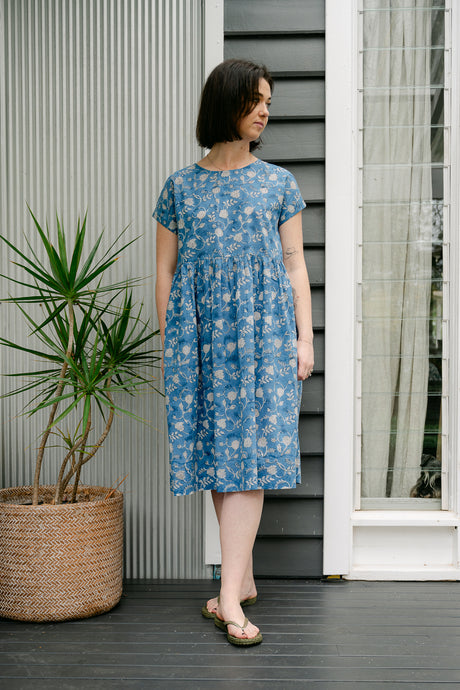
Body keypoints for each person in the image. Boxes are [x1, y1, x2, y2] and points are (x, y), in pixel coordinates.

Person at [154, 58, 314, 646]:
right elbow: (166, 274)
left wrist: (305, 337)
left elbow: (295, 265)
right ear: (228, 103)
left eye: (268, 101)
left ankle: (227, 596)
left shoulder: (278, 184)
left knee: (250, 456)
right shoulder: (179, 187)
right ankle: (239, 583)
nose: (266, 111)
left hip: (264, 336)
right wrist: (174, 344)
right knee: (223, 455)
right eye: (256, 100)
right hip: (202, 340)